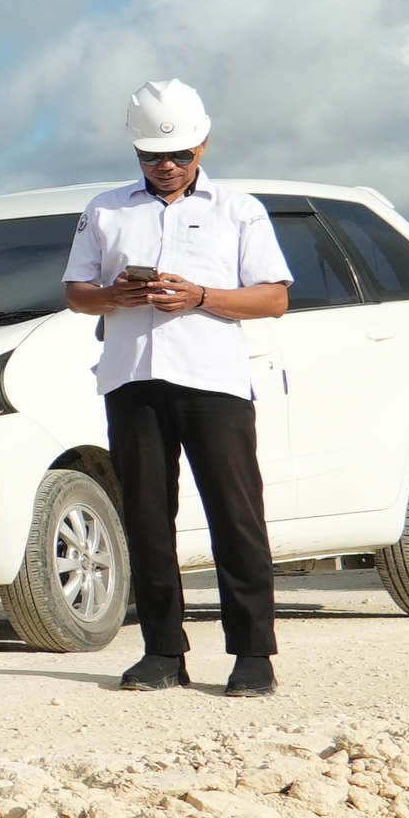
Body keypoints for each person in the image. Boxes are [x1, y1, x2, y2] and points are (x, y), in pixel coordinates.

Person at [65, 79, 289, 698]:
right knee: (145, 516)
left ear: (203, 145)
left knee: (236, 515)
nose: (165, 166)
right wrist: (115, 296)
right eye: (151, 156)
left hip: (212, 382)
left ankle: (253, 654)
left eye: (179, 155)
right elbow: (77, 293)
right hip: (132, 380)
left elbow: (273, 297)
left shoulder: (239, 209)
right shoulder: (105, 209)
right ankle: (163, 650)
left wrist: (201, 297)